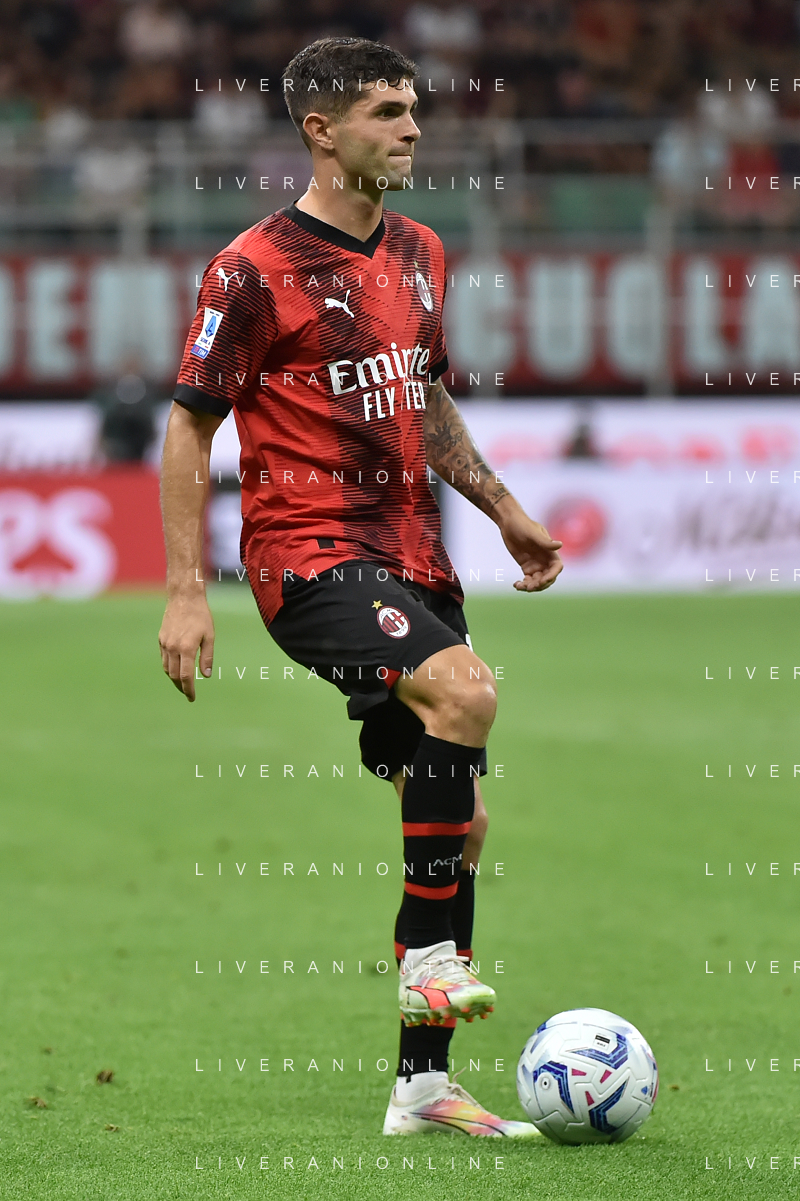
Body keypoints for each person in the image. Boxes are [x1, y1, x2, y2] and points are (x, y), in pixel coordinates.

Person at [158, 36, 562, 1138]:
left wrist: (501, 505)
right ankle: (431, 961)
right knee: (467, 691)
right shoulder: (252, 270)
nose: (413, 127)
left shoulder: (422, 250)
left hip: (414, 555)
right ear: (321, 131)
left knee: (459, 825)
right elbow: (189, 428)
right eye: (388, 111)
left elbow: (421, 396)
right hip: (306, 555)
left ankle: (421, 1088)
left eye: (413, 108)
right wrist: (186, 590)